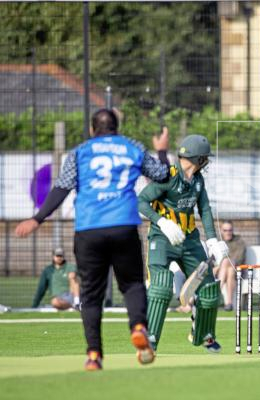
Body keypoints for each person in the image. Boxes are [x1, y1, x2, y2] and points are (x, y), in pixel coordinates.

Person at [15, 108, 171, 371]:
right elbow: (163, 175)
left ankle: (94, 355)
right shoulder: (132, 147)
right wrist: (163, 150)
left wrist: (38, 218)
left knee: (91, 293)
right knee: (132, 284)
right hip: (123, 225)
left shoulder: (80, 152)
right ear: (117, 127)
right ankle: (138, 326)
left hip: (89, 229)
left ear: (91, 129)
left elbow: (62, 188)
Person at [137, 134, 228, 353]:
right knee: (160, 287)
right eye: (204, 158)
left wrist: (213, 240)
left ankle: (204, 335)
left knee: (208, 290)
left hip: (189, 240)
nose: (206, 162)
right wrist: (162, 222)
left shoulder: (198, 180)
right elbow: (141, 201)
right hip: (162, 238)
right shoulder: (168, 176)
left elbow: (204, 209)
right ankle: (150, 340)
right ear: (197, 159)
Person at [212, 220, 246, 311]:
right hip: (219, 271)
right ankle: (229, 303)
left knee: (229, 266)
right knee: (227, 267)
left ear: (233, 230)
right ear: (221, 230)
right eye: (225, 230)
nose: (228, 232)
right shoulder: (217, 242)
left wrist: (223, 263)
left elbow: (239, 258)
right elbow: (212, 258)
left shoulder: (239, 241)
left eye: (230, 230)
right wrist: (219, 266)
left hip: (235, 270)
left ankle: (216, 294)